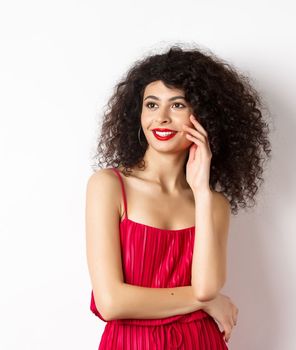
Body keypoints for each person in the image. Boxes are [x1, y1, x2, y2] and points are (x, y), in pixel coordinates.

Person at [85, 44, 272, 349]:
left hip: (201, 341)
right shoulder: (108, 186)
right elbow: (111, 302)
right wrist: (208, 303)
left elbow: (207, 286)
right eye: (151, 104)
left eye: (178, 105)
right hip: (131, 344)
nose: (161, 118)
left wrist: (201, 191)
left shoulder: (213, 204)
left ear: (204, 116)